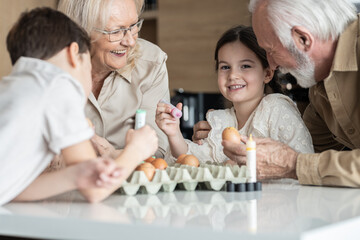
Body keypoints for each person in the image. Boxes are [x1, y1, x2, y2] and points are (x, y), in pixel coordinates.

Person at [0, 7, 158, 206]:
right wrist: (137, 150)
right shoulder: (59, 86)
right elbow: (95, 190)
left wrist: (74, 175)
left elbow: (14, 189)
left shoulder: (12, 88)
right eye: (88, 66)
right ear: (74, 53)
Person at [204, 0, 360, 187]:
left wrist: (293, 165)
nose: (271, 65)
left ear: (303, 39)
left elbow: (297, 160)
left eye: (270, 50)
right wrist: (212, 141)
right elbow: (307, 149)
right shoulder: (320, 89)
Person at [156, 25, 313, 164]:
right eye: (225, 67)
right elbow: (194, 161)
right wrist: (174, 133)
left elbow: (302, 163)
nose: (233, 75)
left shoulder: (277, 109)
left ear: (267, 74)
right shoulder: (221, 120)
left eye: (245, 66)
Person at [58, 0, 170, 158]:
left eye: (133, 26)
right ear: (81, 31)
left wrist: (112, 155)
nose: (130, 41)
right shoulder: (53, 68)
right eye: (116, 31)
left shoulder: (151, 63)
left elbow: (157, 153)